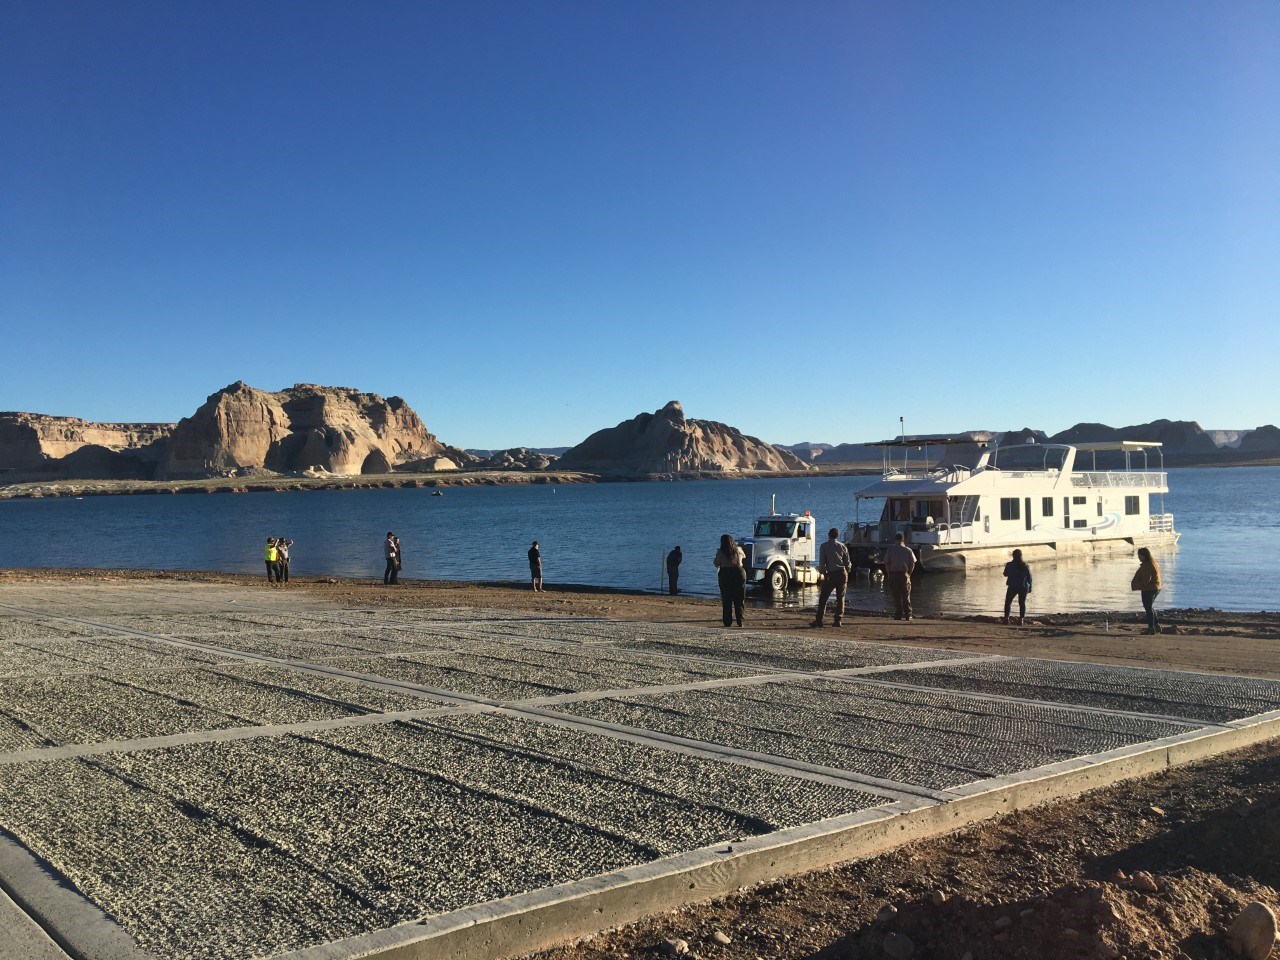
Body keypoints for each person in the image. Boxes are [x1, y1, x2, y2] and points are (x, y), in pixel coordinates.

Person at [812, 528, 852, 627]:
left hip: (831, 574)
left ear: (828, 535)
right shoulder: (842, 546)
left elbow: (822, 563)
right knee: (840, 597)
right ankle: (838, 620)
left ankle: (819, 620)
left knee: (823, 597)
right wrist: (847, 572)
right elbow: (848, 563)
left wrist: (823, 573)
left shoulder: (824, 546)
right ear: (837, 536)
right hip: (842, 573)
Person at [713, 533, 746, 627]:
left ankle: (727, 622)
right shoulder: (738, 549)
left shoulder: (720, 552)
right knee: (739, 598)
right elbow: (744, 556)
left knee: (726, 599)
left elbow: (716, 563)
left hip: (725, 573)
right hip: (739, 572)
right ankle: (740, 621)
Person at [883, 533, 916, 620]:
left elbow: (887, 563)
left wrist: (889, 574)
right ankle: (908, 615)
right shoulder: (908, 550)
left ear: (895, 540)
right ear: (903, 540)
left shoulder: (890, 550)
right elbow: (912, 564)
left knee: (896, 596)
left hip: (893, 574)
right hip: (904, 574)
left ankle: (898, 615)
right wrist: (909, 574)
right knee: (906, 595)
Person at [1132, 547, 1162, 634]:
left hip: (1149, 589)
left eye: (1139, 555)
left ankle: (1151, 628)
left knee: (1148, 608)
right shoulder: (1153, 562)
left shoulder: (1147, 565)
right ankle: (1156, 625)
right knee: (1150, 607)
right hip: (1156, 587)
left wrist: (1138, 583)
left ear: (1144, 556)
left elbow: (1146, 581)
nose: (1138, 557)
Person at [1002, 548, 1032, 625]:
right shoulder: (1025, 565)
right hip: (1023, 586)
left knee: (1008, 602)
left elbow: (1005, 574)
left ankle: (1006, 619)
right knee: (1022, 603)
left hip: (1012, 585)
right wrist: (1030, 587)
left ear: (1013, 556)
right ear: (1021, 556)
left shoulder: (1009, 565)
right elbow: (1029, 577)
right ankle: (1021, 620)